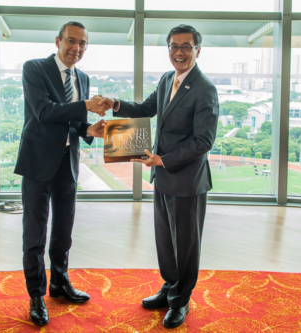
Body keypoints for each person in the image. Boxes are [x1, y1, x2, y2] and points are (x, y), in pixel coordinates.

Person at [99, 24, 219, 328]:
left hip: (186, 180)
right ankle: (169, 289)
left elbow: (203, 142)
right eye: (174, 46)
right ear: (168, 50)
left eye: (186, 47)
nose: (179, 52)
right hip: (164, 177)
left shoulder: (205, 89)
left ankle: (182, 300)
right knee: (165, 240)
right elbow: (145, 108)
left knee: (186, 244)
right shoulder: (168, 79)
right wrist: (115, 104)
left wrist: (162, 160)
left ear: (197, 51)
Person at [13, 21, 107, 326]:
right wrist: (85, 107)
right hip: (38, 161)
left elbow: (75, 122)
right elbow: (45, 111)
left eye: (82, 44)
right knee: (34, 233)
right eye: (71, 41)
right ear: (58, 41)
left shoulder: (83, 77)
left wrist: (90, 129)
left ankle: (59, 282)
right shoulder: (35, 68)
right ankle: (36, 294)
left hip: (68, 162)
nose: (76, 48)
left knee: (64, 230)